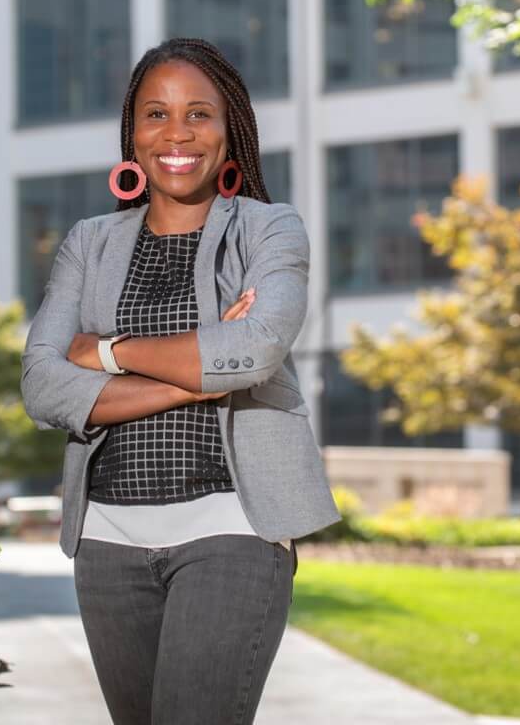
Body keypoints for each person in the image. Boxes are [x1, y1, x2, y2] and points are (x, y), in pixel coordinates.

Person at [20, 37, 342, 725]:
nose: (177, 134)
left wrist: (105, 352)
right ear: (132, 136)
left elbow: (253, 354)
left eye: (200, 114)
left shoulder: (269, 230)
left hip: (234, 528)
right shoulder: (90, 241)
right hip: (107, 540)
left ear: (232, 136)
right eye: (156, 114)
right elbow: (43, 385)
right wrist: (197, 376)